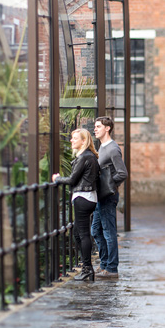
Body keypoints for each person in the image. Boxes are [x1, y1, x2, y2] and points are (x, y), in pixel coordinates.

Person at [52, 128, 100, 281]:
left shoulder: (84, 157)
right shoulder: (89, 156)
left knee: (83, 234)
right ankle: (86, 267)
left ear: (84, 141)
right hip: (88, 197)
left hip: (83, 198)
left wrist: (58, 179)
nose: (72, 140)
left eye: (75, 138)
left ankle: (87, 269)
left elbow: (72, 180)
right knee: (78, 234)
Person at [92, 116, 128, 279]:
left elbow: (123, 173)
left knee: (108, 231)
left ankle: (112, 268)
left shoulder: (113, 148)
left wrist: (108, 185)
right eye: (95, 126)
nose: (95, 129)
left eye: (98, 126)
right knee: (96, 230)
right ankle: (105, 263)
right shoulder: (102, 148)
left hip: (108, 196)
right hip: (101, 196)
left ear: (107, 128)